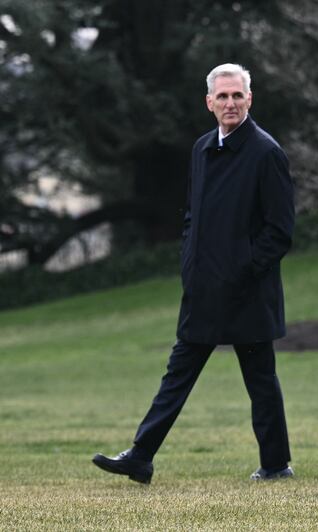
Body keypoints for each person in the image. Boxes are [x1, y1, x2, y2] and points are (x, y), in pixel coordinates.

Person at [92, 63, 295, 484]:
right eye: (222, 96)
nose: (230, 103)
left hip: (248, 292)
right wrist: (190, 262)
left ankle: (276, 465)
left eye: (237, 95)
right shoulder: (202, 148)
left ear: (250, 99)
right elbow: (192, 216)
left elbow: (280, 231)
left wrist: (242, 270)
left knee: (260, 381)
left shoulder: (266, 152)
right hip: (203, 290)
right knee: (176, 376)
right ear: (209, 103)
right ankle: (140, 456)